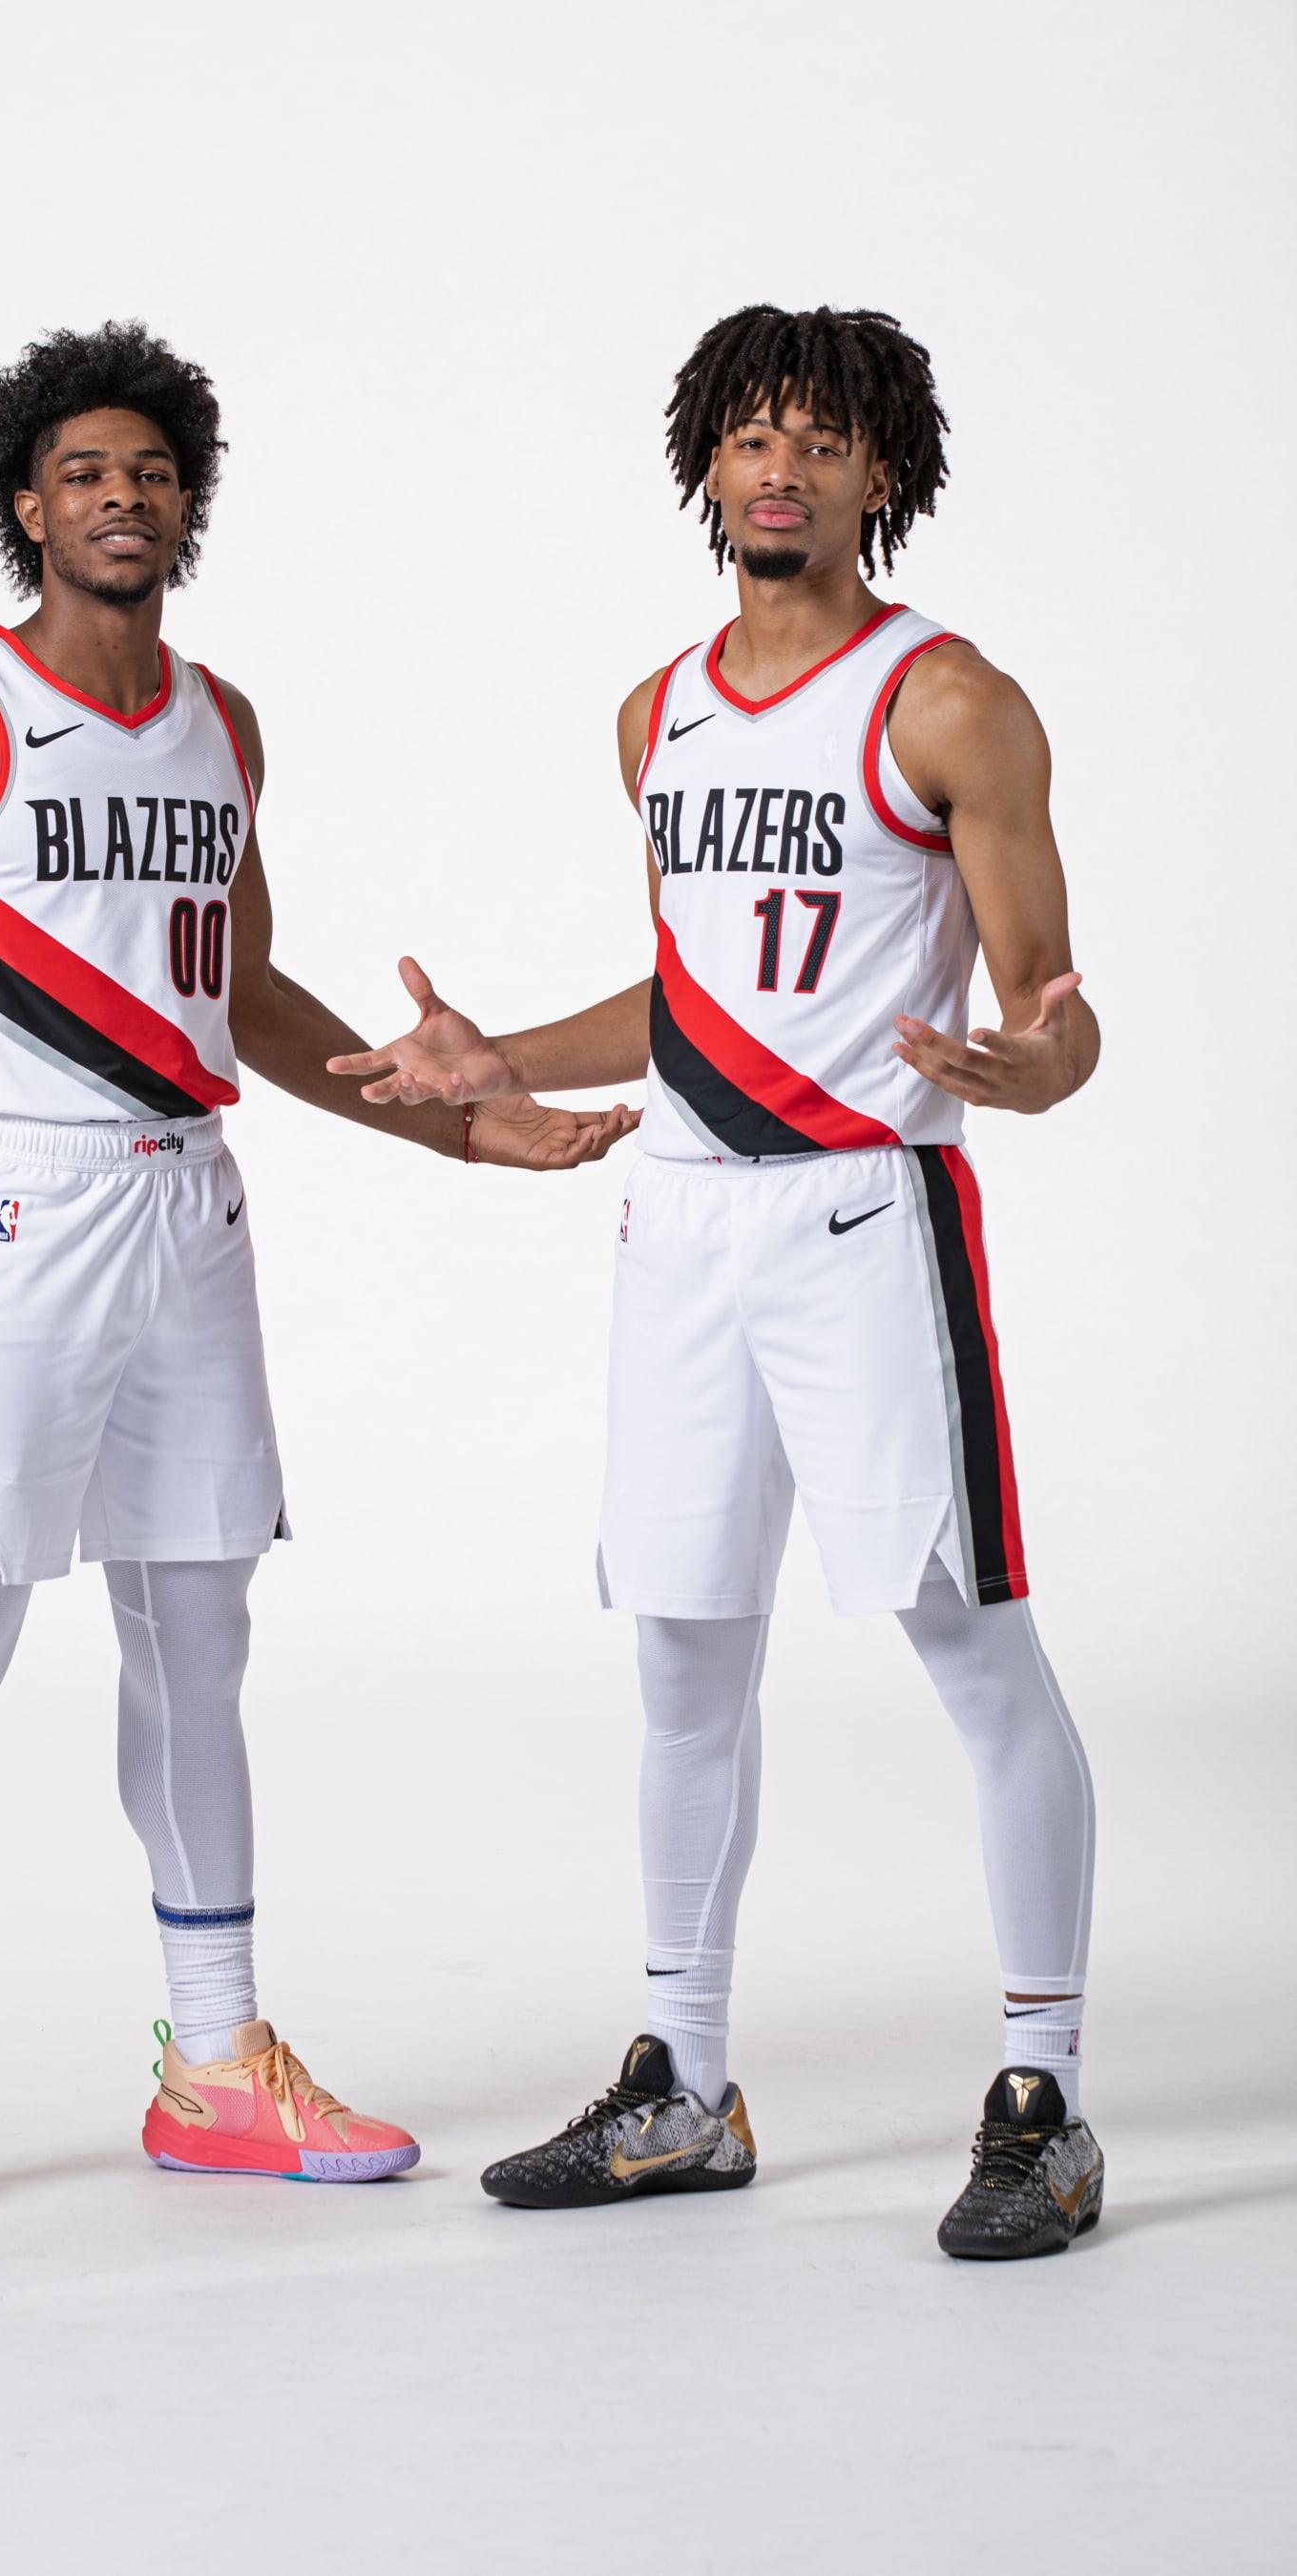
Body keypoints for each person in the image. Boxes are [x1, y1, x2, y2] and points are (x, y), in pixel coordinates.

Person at [0, 321, 633, 2240]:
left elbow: (240, 992)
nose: (121, 497)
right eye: (83, 471)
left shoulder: (222, 722)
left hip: (188, 1205)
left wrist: (461, 1121)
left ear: (189, 505)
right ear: (25, 502)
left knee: (200, 1634)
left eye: (152, 472)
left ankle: (214, 2058)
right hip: (3, 1216)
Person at [330, 304, 1103, 2260]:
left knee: (965, 1641)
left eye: (820, 440)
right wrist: (504, 1055)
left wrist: (1031, 1064)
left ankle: (1047, 2094)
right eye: (750, 435)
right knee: (681, 1652)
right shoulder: (652, 712)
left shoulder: (950, 701)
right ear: (704, 468)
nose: (780, 465)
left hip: (862, 1216)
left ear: (878, 476)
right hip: (680, 1223)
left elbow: (1057, 1011)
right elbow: (696, 995)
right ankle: (680, 2079)